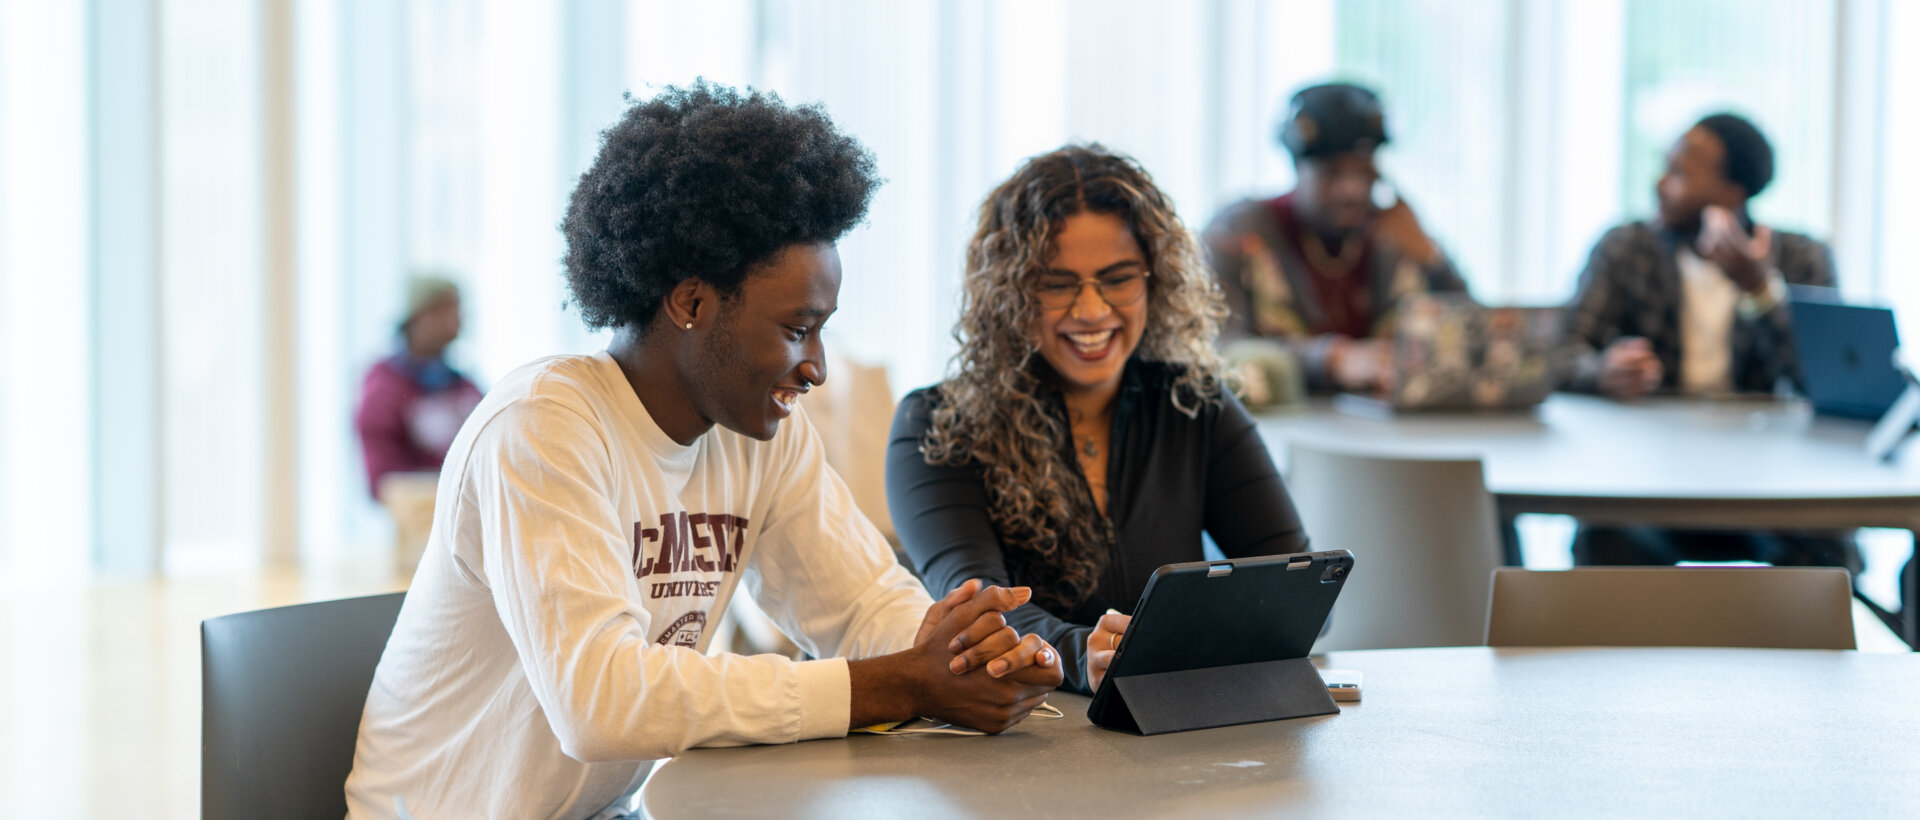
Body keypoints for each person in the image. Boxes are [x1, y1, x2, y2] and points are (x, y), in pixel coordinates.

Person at [346, 82, 1063, 820]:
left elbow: (861, 604)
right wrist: (903, 683)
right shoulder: (542, 429)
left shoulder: (757, 434)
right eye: (796, 328)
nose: (815, 365)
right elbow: (603, 704)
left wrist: (965, 653)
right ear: (691, 303)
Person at [886, 144, 1313, 697]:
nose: (1091, 311)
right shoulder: (937, 423)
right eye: (1058, 283)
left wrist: (1159, 652)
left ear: (1155, 279)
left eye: (1117, 279)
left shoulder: (1196, 405)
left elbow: (1299, 600)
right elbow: (972, 612)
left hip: (1166, 737)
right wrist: (1077, 653)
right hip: (1015, 740)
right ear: (1011, 291)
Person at [1561, 111, 1857, 572]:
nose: (1661, 184)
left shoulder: (1801, 260)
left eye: (1680, 174)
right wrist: (1601, 370)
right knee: (1607, 543)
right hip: (1646, 482)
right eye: (1665, 166)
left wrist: (1760, 290)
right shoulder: (1626, 250)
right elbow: (1563, 352)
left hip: (1772, 485)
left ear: (1732, 193)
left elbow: (1828, 381)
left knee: (1824, 556)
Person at [1204, 82, 1468, 396]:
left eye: (1365, 172)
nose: (1352, 190)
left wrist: (1430, 258)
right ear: (1297, 167)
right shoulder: (1238, 232)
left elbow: (1478, 343)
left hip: (1391, 432)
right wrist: (1331, 360)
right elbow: (1217, 345)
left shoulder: (1394, 234)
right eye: (1332, 173)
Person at [352, 275, 484, 499]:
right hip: (421, 520)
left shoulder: (464, 386)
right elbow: (383, 482)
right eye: (447, 311)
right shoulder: (383, 392)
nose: (457, 322)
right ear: (422, 316)